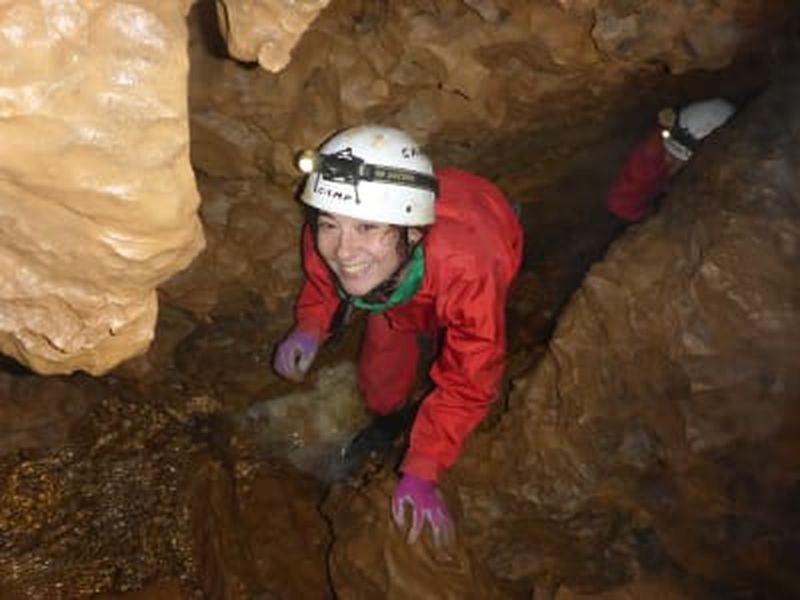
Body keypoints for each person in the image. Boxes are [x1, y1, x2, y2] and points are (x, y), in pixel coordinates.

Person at [273, 124, 523, 547]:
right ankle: (389, 419)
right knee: (381, 378)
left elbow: (470, 381)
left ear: (411, 232)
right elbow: (323, 278)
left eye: (367, 228)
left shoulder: (471, 269)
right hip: (395, 285)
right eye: (330, 225)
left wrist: (424, 468)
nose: (343, 249)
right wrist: (310, 328)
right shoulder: (330, 227)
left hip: (477, 243)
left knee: (461, 341)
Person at [605, 97, 736, 224]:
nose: (672, 160)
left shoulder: (647, 166)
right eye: (673, 157)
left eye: (675, 159)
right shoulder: (645, 167)